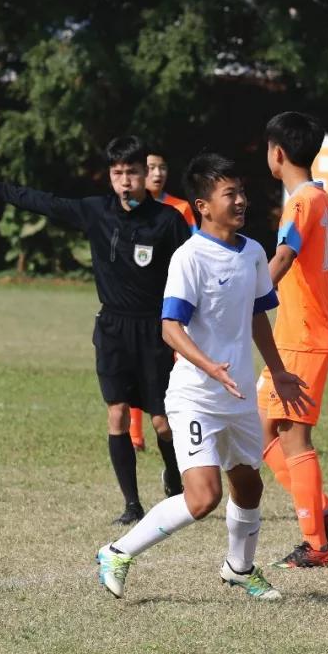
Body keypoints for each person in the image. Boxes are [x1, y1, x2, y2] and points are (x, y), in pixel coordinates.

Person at [95, 152, 313, 600]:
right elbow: (170, 328)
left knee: (249, 484)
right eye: (229, 194)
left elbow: (256, 315)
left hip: (237, 395)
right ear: (204, 205)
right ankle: (117, 551)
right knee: (203, 497)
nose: (241, 201)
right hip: (196, 395)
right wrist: (209, 365)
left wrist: (278, 370)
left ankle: (239, 567)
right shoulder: (189, 258)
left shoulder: (253, 252)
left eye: (242, 192)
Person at [0, 137, 187, 525]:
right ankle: (132, 505)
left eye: (132, 173)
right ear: (110, 176)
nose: (125, 181)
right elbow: (45, 201)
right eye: (118, 173)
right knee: (116, 414)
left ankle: (178, 484)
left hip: (153, 331)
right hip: (112, 328)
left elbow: (190, 272)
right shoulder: (96, 211)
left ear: (147, 174)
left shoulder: (168, 221)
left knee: (162, 422)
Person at [256, 111, 328, 568]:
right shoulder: (320, 198)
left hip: (303, 337)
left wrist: (248, 296)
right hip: (296, 333)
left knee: (293, 440)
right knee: (258, 435)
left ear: (277, 153)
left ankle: (317, 544)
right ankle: (327, 511)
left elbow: (285, 255)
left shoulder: (300, 203)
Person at [128, 149, 200, 452]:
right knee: (133, 366)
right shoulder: (127, 208)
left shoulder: (180, 208)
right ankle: (134, 436)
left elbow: (194, 248)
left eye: (162, 167)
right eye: (151, 167)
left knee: (171, 364)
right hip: (137, 301)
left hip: (169, 297)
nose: (157, 173)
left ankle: (177, 424)